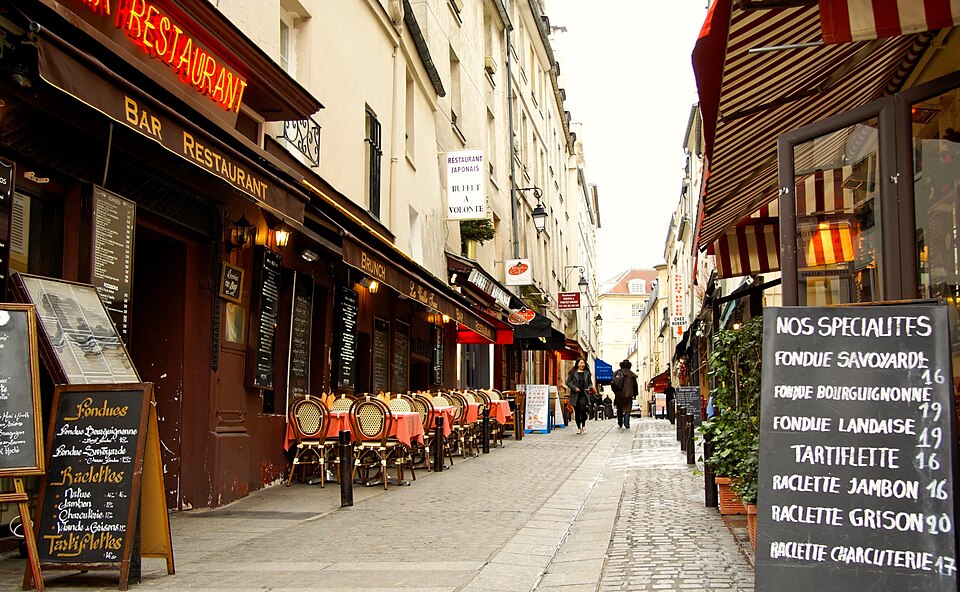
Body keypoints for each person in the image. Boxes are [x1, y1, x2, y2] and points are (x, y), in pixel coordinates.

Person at [565, 358, 594, 434]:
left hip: (584, 394)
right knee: (577, 412)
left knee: (583, 409)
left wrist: (589, 388)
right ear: (577, 364)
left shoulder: (587, 373)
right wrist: (575, 388)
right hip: (575, 394)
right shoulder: (573, 373)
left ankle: (584, 426)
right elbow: (567, 382)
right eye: (581, 363)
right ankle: (579, 427)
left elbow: (591, 383)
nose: (583, 364)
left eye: (583, 363)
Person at [610, 359, 639, 429]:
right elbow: (635, 386)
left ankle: (620, 422)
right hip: (628, 394)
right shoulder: (632, 375)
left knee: (619, 409)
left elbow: (613, 384)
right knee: (627, 410)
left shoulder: (617, 373)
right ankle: (626, 423)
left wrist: (615, 392)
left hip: (619, 394)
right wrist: (635, 394)